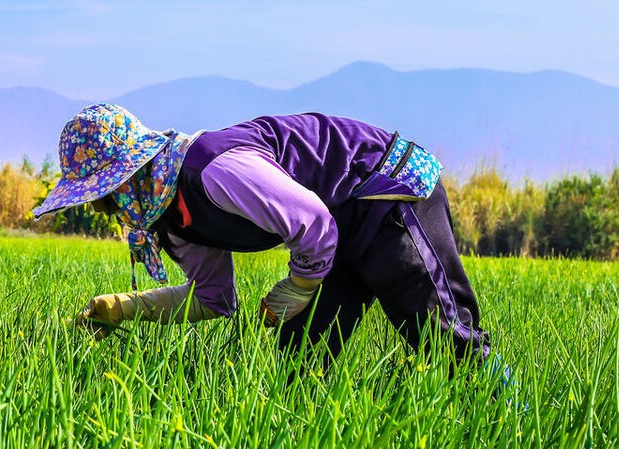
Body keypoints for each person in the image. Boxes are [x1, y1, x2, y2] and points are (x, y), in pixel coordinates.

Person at [33, 103, 497, 371]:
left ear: (131, 176)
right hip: (337, 229)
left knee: (447, 344)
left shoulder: (214, 170)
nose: (100, 208)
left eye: (102, 196)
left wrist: (297, 287)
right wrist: (126, 306)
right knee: (300, 364)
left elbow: (313, 223)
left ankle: (512, 419)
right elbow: (213, 298)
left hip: (383, 193)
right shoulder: (174, 218)